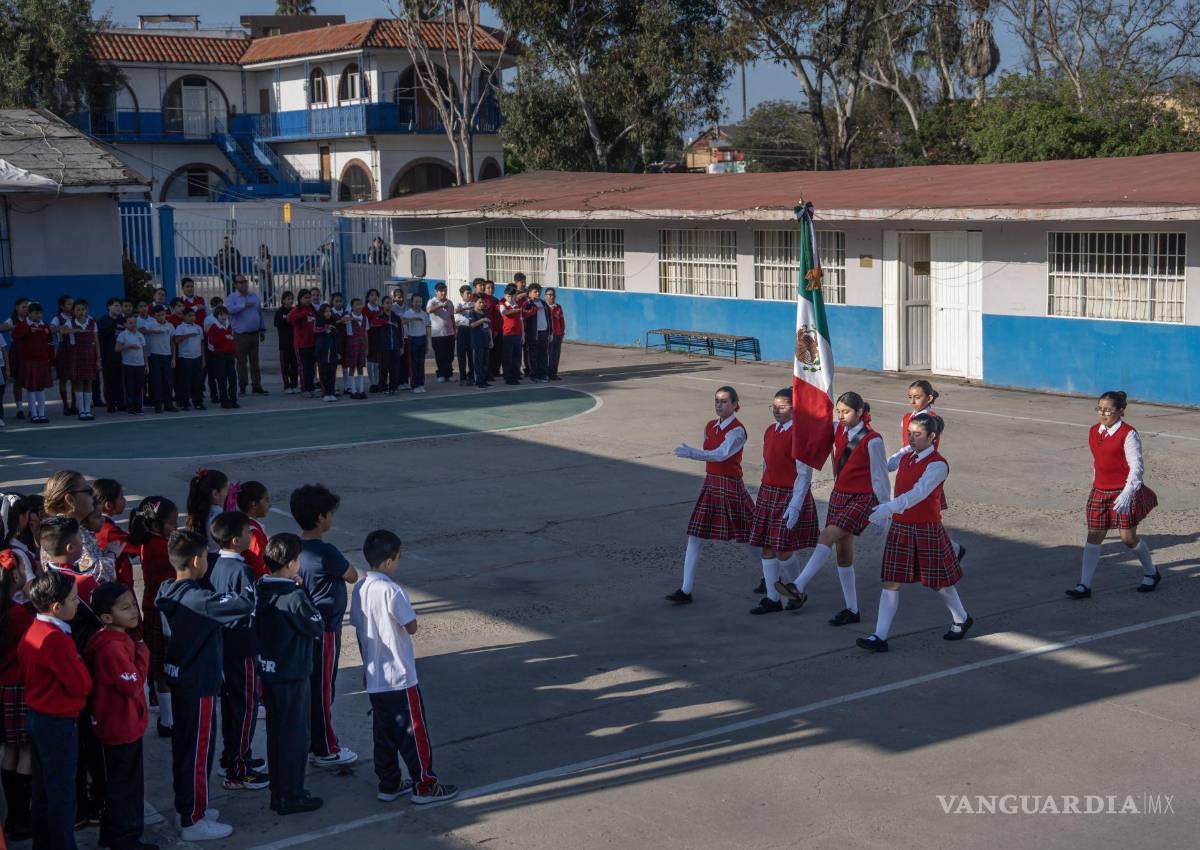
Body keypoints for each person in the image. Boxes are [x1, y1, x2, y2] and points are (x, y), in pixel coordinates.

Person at [156, 529, 255, 841]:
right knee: (198, 753)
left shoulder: (167, 589)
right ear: (197, 560)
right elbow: (243, 603)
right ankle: (193, 819)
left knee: (185, 750)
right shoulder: (200, 599)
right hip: (199, 684)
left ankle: (188, 805)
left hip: (181, 679)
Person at [350, 529, 458, 804]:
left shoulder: (361, 587)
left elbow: (360, 628)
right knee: (413, 732)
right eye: (397, 558)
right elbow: (411, 626)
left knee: (383, 734)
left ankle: (389, 783)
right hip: (399, 677)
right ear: (388, 561)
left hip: (375, 678)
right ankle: (424, 785)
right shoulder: (392, 590)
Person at [857, 413, 972, 652]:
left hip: (925, 528)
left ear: (932, 437)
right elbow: (883, 464)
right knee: (890, 581)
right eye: (909, 433)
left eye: (917, 434)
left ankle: (961, 618)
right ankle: (879, 636)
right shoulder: (906, 456)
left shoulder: (938, 465)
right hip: (901, 526)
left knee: (938, 582)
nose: (911, 438)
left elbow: (918, 493)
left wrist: (890, 506)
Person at [776, 392, 891, 625]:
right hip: (839, 495)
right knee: (843, 552)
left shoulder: (873, 440)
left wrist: (884, 512)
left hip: (862, 499)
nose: (842, 415)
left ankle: (798, 585)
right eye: (839, 411)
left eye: (846, 411)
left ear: (860, 412)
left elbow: (880, 478)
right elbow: (816, 421)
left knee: (827, 534)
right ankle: (852, 609)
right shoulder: (838, 428)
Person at [18, 571, 91, 850]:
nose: (78, 603)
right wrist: (81, 662)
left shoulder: (35, 629)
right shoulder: (56, 639)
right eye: (74, 599)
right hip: (58, 723)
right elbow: (81, 685)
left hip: (39, 719)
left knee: (44, 792)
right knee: (61, 795)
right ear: (57, 607)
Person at [665, 386, 757, 604]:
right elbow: (713, 454)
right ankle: (686, 590)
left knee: (747, 536)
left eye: (724, 401)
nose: (719, 404)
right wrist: (696, 454)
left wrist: (693, 453)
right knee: (695, 535)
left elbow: (721, 455)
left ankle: (772, 576)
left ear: (735, 404)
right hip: (711, 484)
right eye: (717, 400)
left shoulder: (737, 431)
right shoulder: (709, 426)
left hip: (730, 486)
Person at [83, 583, 157, 850]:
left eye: (133, 604)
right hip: (118, 727)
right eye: (125, 608)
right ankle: (125, 840)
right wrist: (143, 654)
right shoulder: (112, 647)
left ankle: (114, 836)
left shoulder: (115, 640)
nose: (133, 611)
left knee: (120, 786)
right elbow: (132, 685)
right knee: (124, 789)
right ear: (106, 617)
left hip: (123, 725)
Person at [1067, 390, 1161, 599]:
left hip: (1124, 491)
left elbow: (1136, 467)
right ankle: (1084, 585)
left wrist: (1128, 492)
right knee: (1094, 536)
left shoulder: (1128, 434)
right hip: (1100, 491)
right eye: (1100, 409)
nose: (1103, 413)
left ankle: (1151, 573)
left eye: (1108, 410)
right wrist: (1097, 482)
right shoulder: (1093, 431)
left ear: (1120, 411)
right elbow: (1098, 461)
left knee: (1127, 538)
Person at [255, 533, 324, 815]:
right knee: (295, 736)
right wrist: (302, 591)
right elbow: (315, 624)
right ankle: (292, 794)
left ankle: (279, 791)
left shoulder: (259, 588)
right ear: (293, 563)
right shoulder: (293, 596)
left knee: (276, 734)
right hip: (292, 674)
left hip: (268, 671)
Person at [290, 484, 358, 767]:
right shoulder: (325, 552)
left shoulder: (295, 549)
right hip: (326, 630)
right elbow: (352, 575)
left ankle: (311, 740)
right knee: (323, 688)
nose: (332, 518)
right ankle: (326, 746)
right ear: (320, 518)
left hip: (305, 629)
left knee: (312, 685)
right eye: (330, 513)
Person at [208, 512, 268, 791]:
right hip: (242, 643)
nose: (251, 536)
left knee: (233, 705)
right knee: (246, 706)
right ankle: (238, 768)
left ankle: (231, 757)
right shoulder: (242, 571)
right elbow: (249, 605)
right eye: (247, 532)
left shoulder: (217, 565)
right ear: (236, 539)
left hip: (225, 644)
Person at [748, 389, 820, 615]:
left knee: (784, 549)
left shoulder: (799, 436)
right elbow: (766, 463)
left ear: (794, 408)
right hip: (769, 493)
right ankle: (772, 598)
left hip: (789, 495)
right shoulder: (770, 431)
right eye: (774, 407)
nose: (777, 411)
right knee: (767, 548)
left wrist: (795, 505)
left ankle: (797, 589)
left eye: (782, 407)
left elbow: (804, 474)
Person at [897, 380, 965, 562]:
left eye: (917, 397)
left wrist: (895, 459)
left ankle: (947, 550)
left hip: (925, 469)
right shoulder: (906, 418)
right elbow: (906, 445)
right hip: (909, 466)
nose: (912, 401)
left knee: (929, 513)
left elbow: (923, 447)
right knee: (923, 514)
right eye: (910, 397)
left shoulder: (932, 420)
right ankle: (953, 548)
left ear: (929, 398)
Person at [127, 496, 178, 738]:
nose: (175, 528)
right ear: (157, 524)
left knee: (161, 665)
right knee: (164, 667)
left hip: (154, 607)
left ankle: (165, 712)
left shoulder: (153, 541)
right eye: (171, 523)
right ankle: (167, 721)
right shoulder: (160, 547)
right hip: (160, 610)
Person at [0, 534, 36, 842]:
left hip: (3, 688)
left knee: (9, 750)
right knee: (25, 751)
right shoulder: (21, 615)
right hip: (19, 688)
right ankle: (23, 817)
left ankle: (12, 816)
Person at [226, 274, 267, 396]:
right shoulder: (232, 298)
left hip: (254, 334)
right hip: (240, 335)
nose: (244, 284)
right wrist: (243, 305)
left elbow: (259, 313)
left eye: (245, 281)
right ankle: (242, 386)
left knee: (255, 362)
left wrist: (262, 329)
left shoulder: (253, 296)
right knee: (241, 363)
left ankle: (257, 385)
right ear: (235, 285)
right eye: (241, 282)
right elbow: (229, 310)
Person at [11, 302, 52, 423]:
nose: (39, 315)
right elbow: (15, 335)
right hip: (29, 361)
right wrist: (29, 330)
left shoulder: (45, 326)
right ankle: (33, 414)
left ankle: (42, 413)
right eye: (35, 313)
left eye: (40, 313)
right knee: (31, 388)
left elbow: (49, 342)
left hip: (42, 361)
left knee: (41, 388)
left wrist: (50, 358)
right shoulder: (22, 325)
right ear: (29, 314)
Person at [64, 299, 101, 421]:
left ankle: (88, 410)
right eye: (78, 309)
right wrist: (76, 330)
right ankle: (81, 411)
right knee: (79, 382)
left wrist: (98, 358)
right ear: (73, 311)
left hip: (90, 354)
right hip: (76, 355)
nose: (81, 312)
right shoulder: (70, 323)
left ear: (87, 310)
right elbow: (61, 330)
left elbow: (96, 341)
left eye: (83, 309)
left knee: (89, 382)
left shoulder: (92, 323)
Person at [93, 479, 133, 590]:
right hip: (118, 583)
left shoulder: (104, 525)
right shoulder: (108, 530)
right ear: (109, 505)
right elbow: (136, 546)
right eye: (121, 497)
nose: (124, 500)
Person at [186, 469, 229, 570]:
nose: (227, 494)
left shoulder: (196, 513)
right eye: (226, 490)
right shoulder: (218, 518)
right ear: (215, 494)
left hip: (202, 563)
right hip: (218, 563)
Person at [144, 305, 177, 414]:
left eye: (163, 314)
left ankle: (168, 404)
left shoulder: (170, 326)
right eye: (158, 315)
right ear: (154, 316)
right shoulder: (150, 324)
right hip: (154, 356)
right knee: (156, 382)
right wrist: (153, 331)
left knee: (168, 381)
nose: (161, 317)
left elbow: (173, 342)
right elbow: (141, 330)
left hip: (167, 356)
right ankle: (158, 405)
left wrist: (173, 358)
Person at [205, 306, 238, 409]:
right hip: (219, 355)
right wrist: (224, 337)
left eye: (225, 314)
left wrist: (233, 349)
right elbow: (211, 341)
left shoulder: (229, 326)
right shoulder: (214, 327)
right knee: (222, 378)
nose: (223, 316)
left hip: (230, 354)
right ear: (216, 316)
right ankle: (224, 400)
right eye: (221, 314)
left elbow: (232, 340)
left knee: (232, 378)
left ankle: (233, 399)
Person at [172, 308, 206, 411]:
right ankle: (185, 402)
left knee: (198, 382)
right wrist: (189, 335)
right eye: (189, 316)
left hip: (197, 357)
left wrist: (203, 359)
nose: (192, 318)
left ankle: (198, 402)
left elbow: (201, 343)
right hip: (185, 358)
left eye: (193, 316)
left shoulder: (198, 327)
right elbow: (176, 340)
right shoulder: (180, 327)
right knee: (185, 382)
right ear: (184, 316)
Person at [235, 482, 271, 579]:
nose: (269, 504)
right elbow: (260, 567)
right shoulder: (252, 533)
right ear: (254, 504)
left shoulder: (242, 523)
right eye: (266, 500)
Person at [287, 290, 318, 398]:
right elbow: (289, 318)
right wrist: (303, 313)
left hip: (312, 344)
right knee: (303, 367)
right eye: (305, 297)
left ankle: (311, 387)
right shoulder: (296, 310)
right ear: (300, 299)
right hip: (301, 345)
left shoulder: (312, 310)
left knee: (311, 367)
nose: (308, 299)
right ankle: (304, 388)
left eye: (309, 297)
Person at [97, 299, 126, 412]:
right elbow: (100, 335)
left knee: (120, 381)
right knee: (109, 381)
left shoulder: (122, 320)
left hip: (121, 355)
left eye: (120, 306)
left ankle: (121, 402)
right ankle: (110, 403)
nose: (118, 308)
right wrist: (112, 326)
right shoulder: (103, 320)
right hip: (107, 355)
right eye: (116, 305)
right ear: (109, 307)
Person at [115, 314, 147, 416]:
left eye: (134, 323)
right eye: (130, 323)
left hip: (140, 364)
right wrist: (128, 346)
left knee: (139, 386)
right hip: (128, 365)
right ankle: (130, 407)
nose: (133, 325)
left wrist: (146, 364)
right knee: (129, 387)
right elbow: (117, 349)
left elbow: (144, 351)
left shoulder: (140, 335)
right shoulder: (123, 335)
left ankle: (138, 407)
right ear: (125, 324)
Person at [50, 295, 76, 416]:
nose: (72, 306)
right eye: (69, 304)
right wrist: (62, 328)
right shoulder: (57, 318)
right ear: (62, 306)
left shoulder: (76, 316)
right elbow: (51, 329)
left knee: (75, 378)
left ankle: (75, 405)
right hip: (63, 349)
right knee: (63, 379)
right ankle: (65, 405)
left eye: (72, 303)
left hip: (75, 349)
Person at [400, 295, 430, 394]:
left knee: (421, 363)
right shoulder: (408, 313)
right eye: (416, 302)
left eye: (420, 302)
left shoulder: (424, 314)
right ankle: (415, 385)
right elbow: (402, 321)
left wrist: (428, 343)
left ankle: (421, 384)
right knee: (413, 363)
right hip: (412, 339)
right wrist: (413, 319)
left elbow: (427, 328)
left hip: (422, 339)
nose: (418, 304)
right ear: (412, 302)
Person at [6, 297, 30, 420]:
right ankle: (20, 409)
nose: (26, 309)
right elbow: (2, 327)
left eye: (27, 307)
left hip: (31, 352)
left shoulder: (31, 319)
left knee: (32, 381)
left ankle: (33, 408)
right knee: (18, 382)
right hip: (17, 354)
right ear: (17, 308)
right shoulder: (12, 320)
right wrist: (14, 327)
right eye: (23, 306)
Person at [427, 283, 455, 383]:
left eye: (445, 290)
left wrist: (454, 331)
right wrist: (440, 305)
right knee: (440, 356)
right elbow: (429, 310)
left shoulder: (450, 302)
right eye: (441, 291)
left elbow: (452, 317)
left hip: (449, 333)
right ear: (436, 292)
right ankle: (441, 374)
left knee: (450, 355)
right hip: (437, 334)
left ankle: (449, 374)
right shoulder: (432, 301)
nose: (444, 293)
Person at [523, 284, 551, 383]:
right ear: (529, 293)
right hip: (533, 334)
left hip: (544, 332)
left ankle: (543, 374)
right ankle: (533, 375)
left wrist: (550, 332)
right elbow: (524, 315)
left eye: (539, 291)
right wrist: (533, 310)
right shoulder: (527, 304)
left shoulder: (543, 303)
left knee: (543, 355)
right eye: (535, 291)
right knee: (533, 355)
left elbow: (549, 318)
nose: (538, 293)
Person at [314, 303, 341, 403]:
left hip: (333, 353)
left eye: (329, 311)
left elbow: (337, 339)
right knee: (323, 373)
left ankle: (331, 392)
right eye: (326, 311)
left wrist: (338, 351)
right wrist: (325, 328)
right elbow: (316, 331)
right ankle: (325, 393)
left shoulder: (333, 323)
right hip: (322, 353)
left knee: (332, 373)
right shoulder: (318, 322)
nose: (328, 313)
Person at [464, 294, 492, 390]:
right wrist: (482, 320)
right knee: (478, 362)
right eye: (479, 302)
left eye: (483, 302)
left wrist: (491, 340)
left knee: (485, 362)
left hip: (485, 341)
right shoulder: (472, 313)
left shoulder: (484, 313)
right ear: (475, 303)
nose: (481, 304)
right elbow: (472, 325)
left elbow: (488, 328)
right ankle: (478, 382)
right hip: (477, 342)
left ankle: (484, 380)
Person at [498, 286, 525, 385]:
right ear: (505, 296)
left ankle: (515, 376)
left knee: (517, 357)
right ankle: (508, 377)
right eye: (508, 296)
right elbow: (504, 312)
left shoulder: (517, 305)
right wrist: (514, 310)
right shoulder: (503, 304)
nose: (510, 298)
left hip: (518, 334)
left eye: (512, 296)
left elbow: (521, 320)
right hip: (508, 334)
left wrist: (523, 335)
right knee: (507, 357)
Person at [376, 296, 403, 395]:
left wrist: (401, 346)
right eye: (387, 303)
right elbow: (376, 332)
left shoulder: (396, 317)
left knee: (394, 368)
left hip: (395, 347)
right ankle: (383, 387)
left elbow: (400, 332)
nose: (389, 305)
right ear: (382, 304)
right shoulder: (379, 317)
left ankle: (393, 387)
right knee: (383, 368)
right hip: (384, 347)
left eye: (390, 303)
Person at [274, 291, 299, 394]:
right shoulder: (280, 312)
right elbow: (277, 323)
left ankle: (294, 384)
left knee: (295, 365)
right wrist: (287, 320)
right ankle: (286, 385)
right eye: (288, 299)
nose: (290, 301)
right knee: (285, 366)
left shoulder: (294, 310)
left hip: (294, 343)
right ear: (283, 300)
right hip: (284, 344)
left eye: (292, 299)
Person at [343, 299, 369, 399]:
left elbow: (366, 333)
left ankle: (361, 390)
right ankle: (353, 390)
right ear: (352, 307)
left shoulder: (365, 318)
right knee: (352, 366)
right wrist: (351, 319)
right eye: (356, 305)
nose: (359, 306)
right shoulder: (348, 316)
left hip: (362, 345)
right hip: (352, 345)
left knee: (361, 367)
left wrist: (367, 347)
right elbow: (341, 321)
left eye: (360, 304)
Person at [454, 285, 474, 386]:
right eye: (467, 293)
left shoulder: (474, 303)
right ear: (462, 294)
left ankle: (471, 376)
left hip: (472, 330)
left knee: (471, 354)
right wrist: (467, 308)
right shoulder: (458, 304)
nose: (470, 295)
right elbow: (456, 314)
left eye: (470, 293)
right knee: (461, 355)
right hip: (462, 330)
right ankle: (462, 377)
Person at [545, 286, 565, 380]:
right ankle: (547, 373)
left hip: (558, 334)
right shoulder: (544, 307)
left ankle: (554, 373)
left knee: (556, 355)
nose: (551, 297)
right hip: (548, 335)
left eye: (553, 295)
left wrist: (562, 333)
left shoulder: (558, 307)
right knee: (549, 355)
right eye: (549, 295)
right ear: (545, 296)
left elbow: (561, 320)